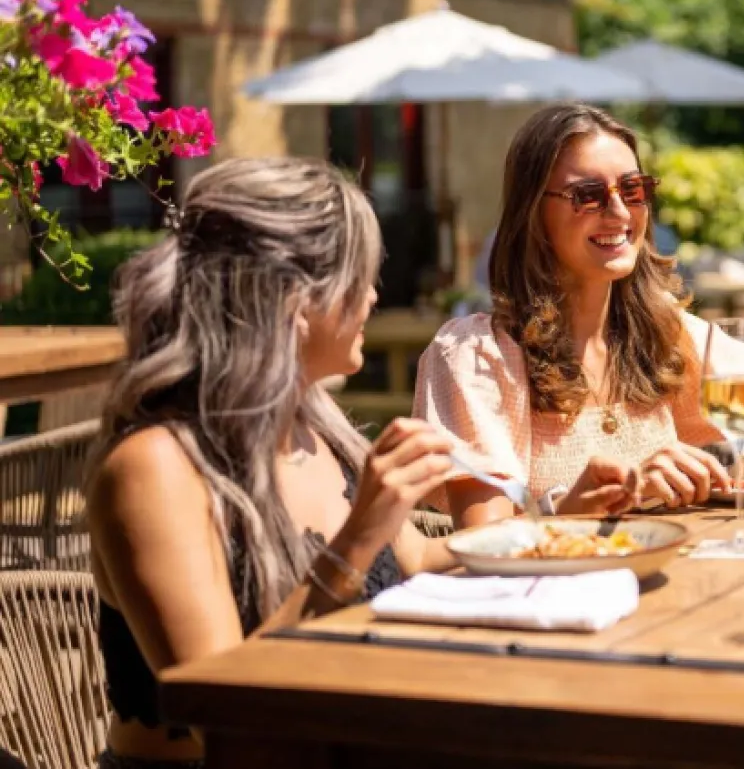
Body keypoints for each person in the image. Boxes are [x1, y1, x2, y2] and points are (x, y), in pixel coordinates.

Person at [84, 160, 538, 768]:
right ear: (295, 302)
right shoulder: (156, 467)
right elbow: (221, 719)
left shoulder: (315, 426)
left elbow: (419, 559)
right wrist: (354, 542)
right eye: (360, 278)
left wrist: (563, 521)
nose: (374, 297)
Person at [415, 103, 744, 529]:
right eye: (589, 195)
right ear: (533, 214)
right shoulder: (477, 358)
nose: (619, 212)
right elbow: (484, 544)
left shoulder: (660, 331)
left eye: (632, 189)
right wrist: (600, 500)